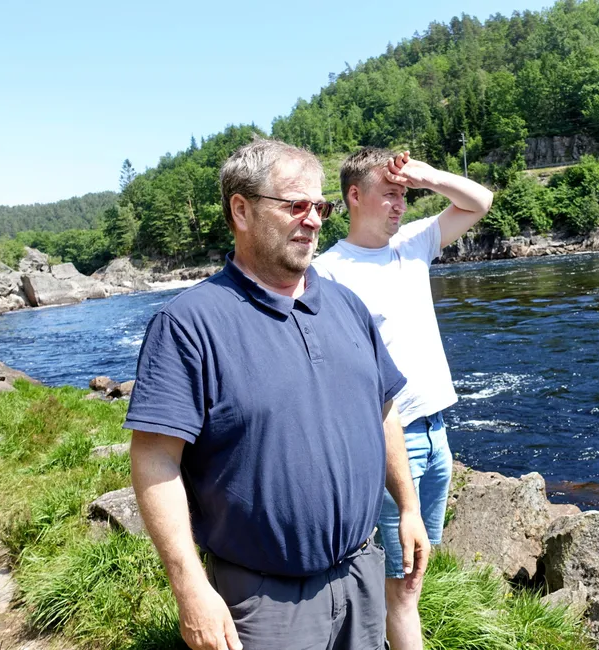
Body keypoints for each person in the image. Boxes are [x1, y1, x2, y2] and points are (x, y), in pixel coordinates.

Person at [126, 138, 430, 650]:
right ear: (241, 210)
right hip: (263, 600)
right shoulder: (187, 325)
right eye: (295, 205)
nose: (312, 220)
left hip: (361, 571)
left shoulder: (347, 306)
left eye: (320, 207)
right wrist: (189, 587)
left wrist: (407, 506)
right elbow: (155, 460)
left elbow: (383, 412)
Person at [313, 148, 493, 649]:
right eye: (389, 194)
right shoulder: (329, 273)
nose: (400, 205)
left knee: (415, 569)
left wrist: (426, 177)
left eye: (403, 196)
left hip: (437, 432)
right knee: (403, 584)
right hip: (392, 441)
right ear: (354, 196)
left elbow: (480, 200)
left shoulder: (412, 244)